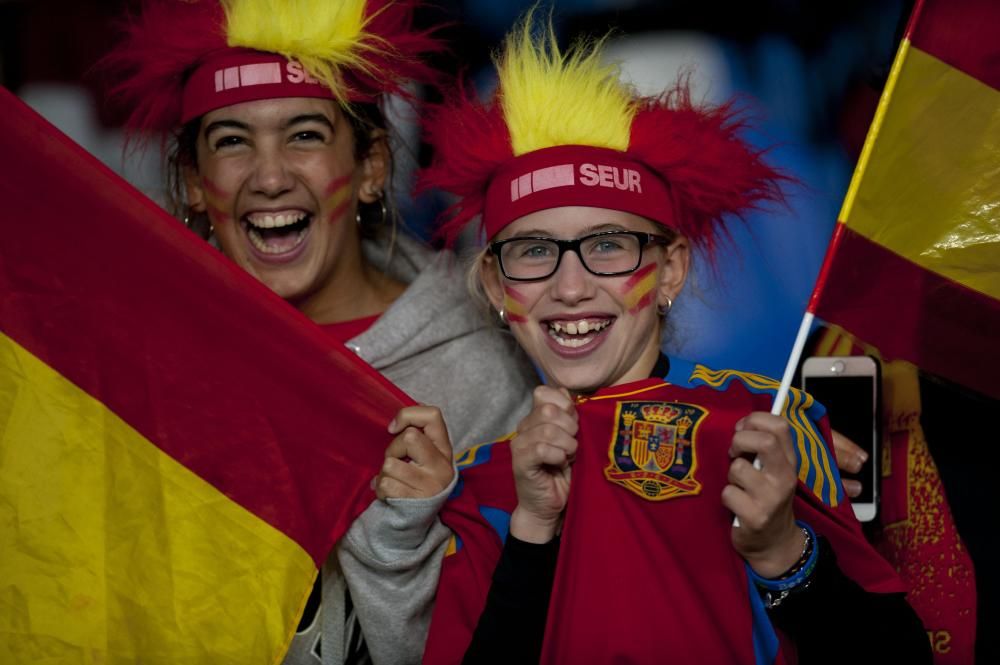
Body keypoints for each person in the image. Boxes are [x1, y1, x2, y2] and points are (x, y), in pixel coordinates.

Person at [410, 13, 932, 664]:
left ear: (671, 270)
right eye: (534, 250)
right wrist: (534, 531)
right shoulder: (484, 485)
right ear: (494, 283)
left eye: (607, 246)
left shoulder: (772, 429)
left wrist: (782, 552)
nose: (570, 287)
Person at [101, 1, 537, 663]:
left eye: (304, 134)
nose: (270, 177)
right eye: (231, 140)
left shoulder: (475, 374)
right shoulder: (145, 361)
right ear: (193, 182)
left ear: (371, 168)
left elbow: (500, 642)